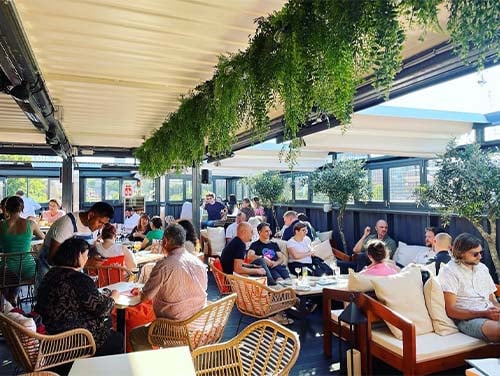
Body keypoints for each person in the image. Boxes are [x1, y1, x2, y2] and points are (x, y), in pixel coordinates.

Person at [35, 238, 124, 356]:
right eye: (86, 255)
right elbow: (101, 309)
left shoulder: (51, 274)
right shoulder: (79, 279)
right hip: (74, 339)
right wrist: (113, 296)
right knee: (117, 338)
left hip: (49, 334)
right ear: (78, 256)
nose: (87, 259)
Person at [129, 224, 208, 351]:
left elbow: (145, 297)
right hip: (200, 325)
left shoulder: (164, 266)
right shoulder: (198, 263)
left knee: (136, 335)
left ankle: (152, 368)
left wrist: (139, 292)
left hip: (173, 328)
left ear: (165, 241)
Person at [36, 201, 114, 288]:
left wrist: (95, 256)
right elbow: (52, 258)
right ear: (91, 215)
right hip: (50, 268)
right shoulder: (66, 224)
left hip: (74, 268)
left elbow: (89, 248)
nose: (100, 227)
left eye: (104, 224)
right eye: (100, 222)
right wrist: (86, 263)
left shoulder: (94, 228)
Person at [439, 233, 500, 342]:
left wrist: (497, 309)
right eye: (475, 254)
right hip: (468, 319)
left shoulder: (482, 268)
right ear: (461, 253)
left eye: (481, 253)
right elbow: (451, 310)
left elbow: (492, 300)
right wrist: (484, 313)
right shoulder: (449, 271)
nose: (480, 257)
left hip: (489, 313)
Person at [0, 196, 45, 306]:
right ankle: (13, 298)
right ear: (22, 209)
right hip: (29, 269)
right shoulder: (31, 224)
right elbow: (43, 237)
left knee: (5, 277)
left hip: (8, 269)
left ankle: (9, 301)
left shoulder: (1, 225)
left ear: (6, 209)